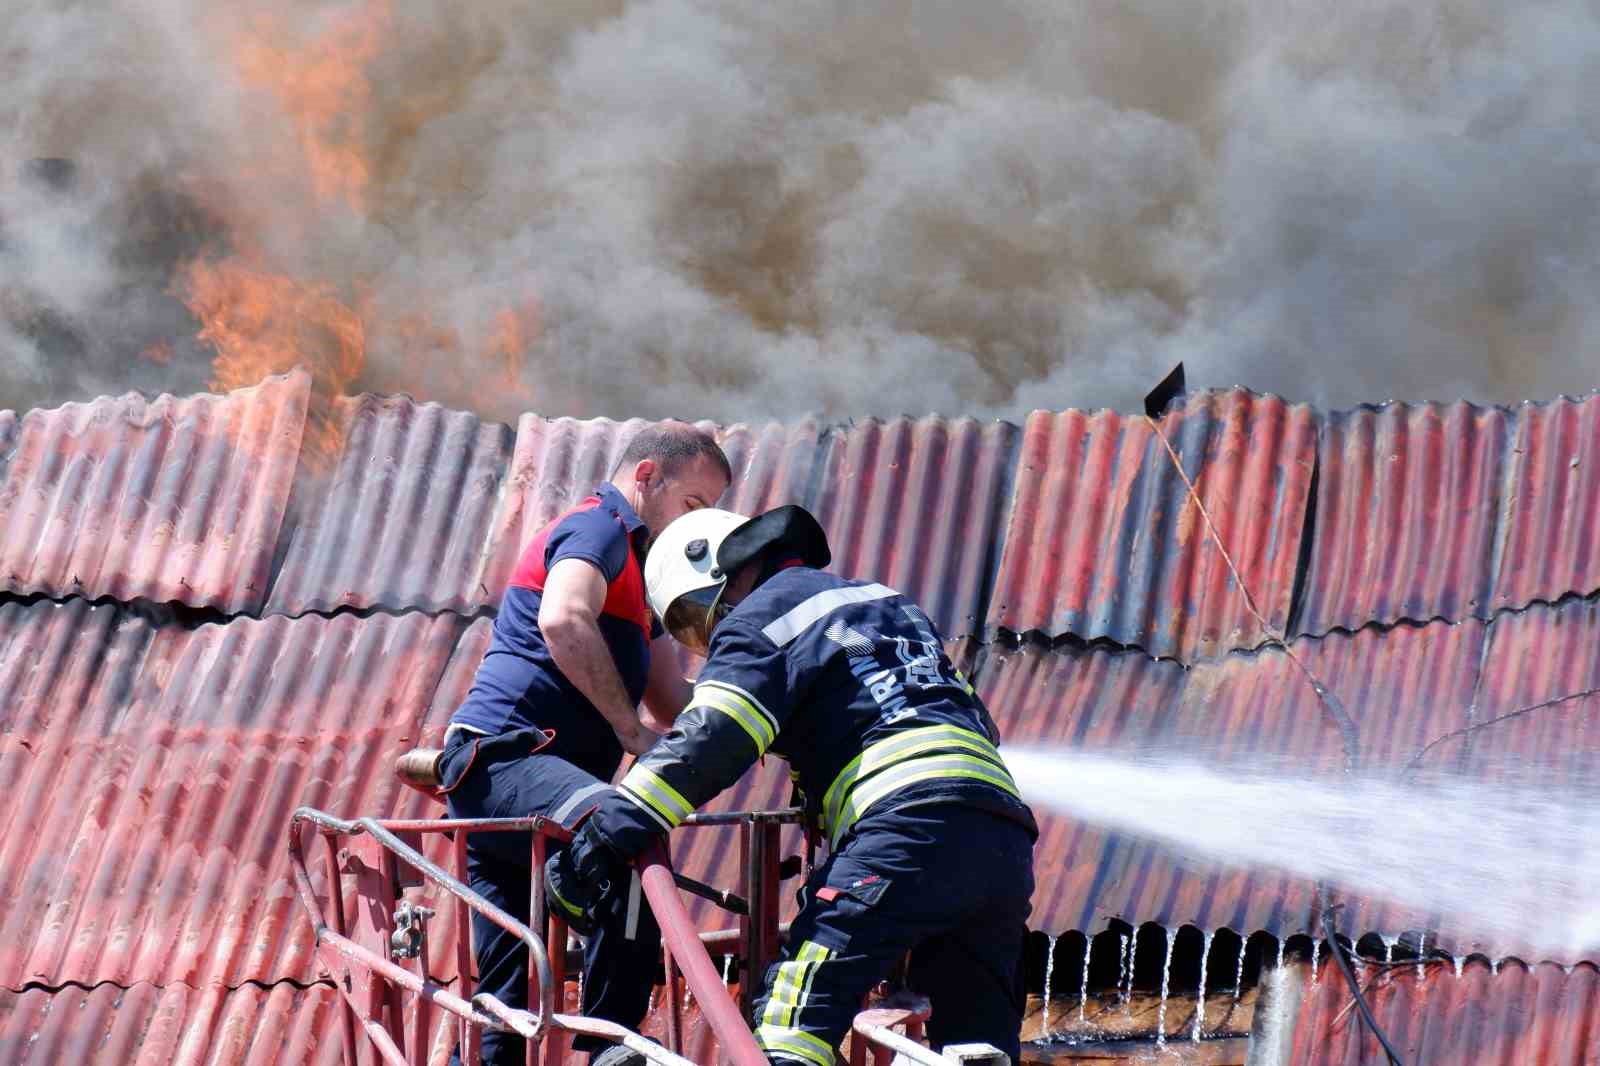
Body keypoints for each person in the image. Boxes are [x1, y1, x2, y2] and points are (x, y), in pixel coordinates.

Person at [548, 505, 1038, 1066]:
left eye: (692, 614)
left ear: (722, 574)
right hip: (1002, 836)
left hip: (905, 829)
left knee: (793, 1019)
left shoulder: (762, 615)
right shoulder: (884, 603)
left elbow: (710, 737)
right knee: (977, 1041)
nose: (706, 634)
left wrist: (606, 835)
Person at [436, 423, 733, 1066]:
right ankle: (609, 1043)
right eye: (693, 507)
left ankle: (583, 1043)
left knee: (504, 1003)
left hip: (536, 789)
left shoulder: (644, 580)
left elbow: (670, 699)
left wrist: (761, 716)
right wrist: (630, 734)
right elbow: (563, 617)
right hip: (504, 758)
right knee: (624, 830)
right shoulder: (599, 528)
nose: (696, 529)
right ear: (646, 477)